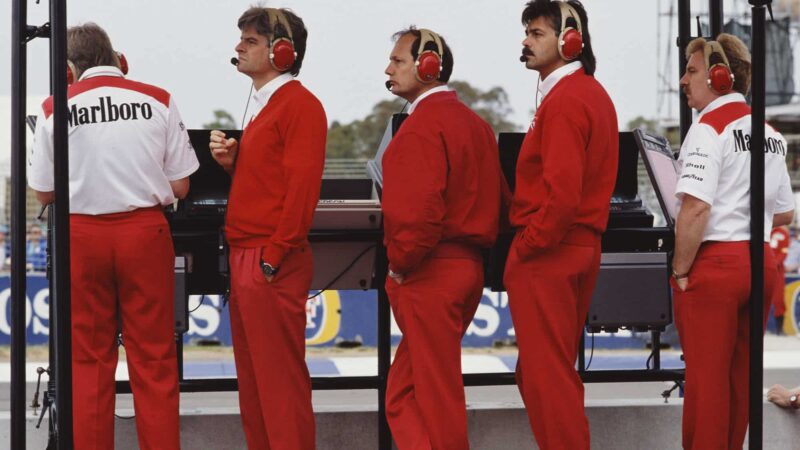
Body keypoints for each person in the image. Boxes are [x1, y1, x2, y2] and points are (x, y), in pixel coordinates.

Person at [28, 23, 198, 450]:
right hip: (145, 231)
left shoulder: (54, 106)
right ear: (119, 60)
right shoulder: (158, 98)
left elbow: (44, 192)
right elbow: (181, 187)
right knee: (155, 358)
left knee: (87, 361)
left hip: (81, 235)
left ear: (68, 69)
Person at [208, 7, 326, 450]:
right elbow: (277, 182)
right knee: (255, 384)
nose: (239, 46)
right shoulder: (267, 107)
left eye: (250, 40)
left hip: (266, 256)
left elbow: (300, 193)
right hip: (252, 254)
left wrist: (274, 256)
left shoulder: (300, 106)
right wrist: (235, 164)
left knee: (278, 385)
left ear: (282, 51)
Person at [671, 33, 795, 449]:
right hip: (760, 262)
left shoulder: (708, 127)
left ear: (720, 76)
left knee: (706, 383)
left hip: (716, 263)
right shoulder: (771, 134)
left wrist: (680, 270)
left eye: (692, 71)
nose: (684, 80)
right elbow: (784, 212)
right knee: (741, 381)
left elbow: (695, 210)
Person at [381, 27, 502, 449]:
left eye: (397, 61)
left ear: (428, 66)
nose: (388, 68)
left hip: (429, 273)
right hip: (467, 270)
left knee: (433, 397)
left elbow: (418, 217)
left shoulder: (418, 130)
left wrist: (398, 264)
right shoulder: (479, 126)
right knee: (404, 393)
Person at [504, 1, 618, 448]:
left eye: (536, 33)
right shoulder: (589, 94)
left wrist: (529, 245)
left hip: (549, 251)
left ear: (570, 39)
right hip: (574, 246)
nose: (525, 42)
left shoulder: (567, 100)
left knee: (546, 376)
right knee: (543, 372)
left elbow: (562, 193)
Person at [770, 226, 790, 333]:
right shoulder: (765, 229)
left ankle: (779, 329)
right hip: (763, 266)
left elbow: (784, 252)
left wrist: (773, 263)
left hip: (776, 269)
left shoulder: (783, 233)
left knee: (778, 299)